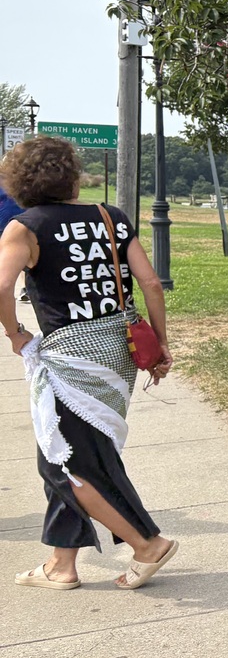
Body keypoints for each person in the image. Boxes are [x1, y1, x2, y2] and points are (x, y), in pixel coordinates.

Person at [0, 136, 179, 591]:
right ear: (72, 175)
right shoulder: (111, 217)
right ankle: (62, 565)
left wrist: (15, 334)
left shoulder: (25, 227)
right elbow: (152, 284)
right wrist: (158, 344)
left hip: (69, 357)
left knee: (65, 462)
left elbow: (2, 287)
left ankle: (147, 543)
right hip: (117, 354)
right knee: (74, 450)